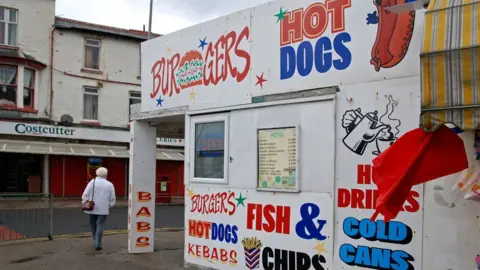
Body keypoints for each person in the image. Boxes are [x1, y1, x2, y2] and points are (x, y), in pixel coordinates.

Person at [81, 167, 116, 250]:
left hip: (92, 207)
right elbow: (112, 199)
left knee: (93, 226)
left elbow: (85, 194)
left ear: (97, 173)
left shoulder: (92, 182)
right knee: (100, 225)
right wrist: (108, 206)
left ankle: (95, 241)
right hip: (103, 209)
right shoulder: (109, 184)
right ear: (106, 174)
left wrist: (85, 202)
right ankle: (98, 244)